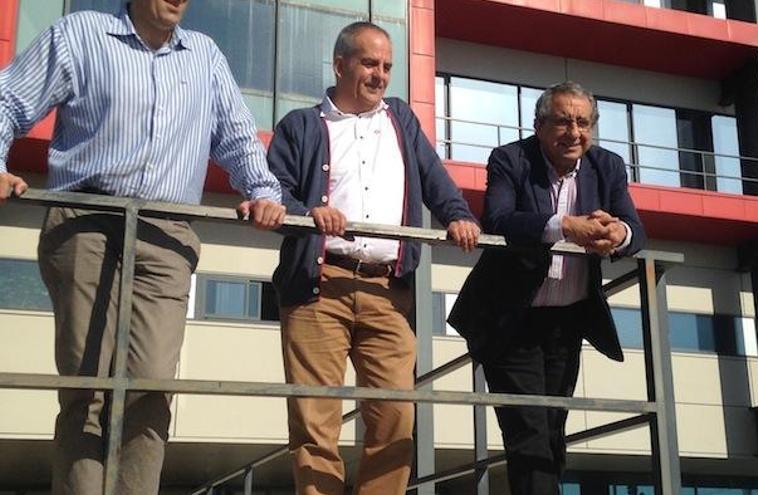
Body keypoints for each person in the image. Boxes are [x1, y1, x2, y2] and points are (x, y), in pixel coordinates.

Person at [0, 1, 286, 493]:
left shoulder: (205, 55)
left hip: (165, 231)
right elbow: (8, 101)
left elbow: (237, 133)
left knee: (152, 383)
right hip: (86, 222)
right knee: (86, 385)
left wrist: (261, 190)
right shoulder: (81, 35)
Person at [266, 21, 481, 495]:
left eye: (386, 66)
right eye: (369, 63)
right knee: (315, 418)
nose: (380, 74)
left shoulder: (401, 119)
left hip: (389, 291)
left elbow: (435, 176)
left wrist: (458, 216)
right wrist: (307, 212)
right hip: (319, 287)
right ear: (340, 65)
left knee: (394, 416)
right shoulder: (300, 125)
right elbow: (272, 191)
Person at [448, 81, 646, 495]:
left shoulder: (607, 166)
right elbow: (498, 219)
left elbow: (636, 229)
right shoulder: (509, 159)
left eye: (583, 122)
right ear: (539, 126)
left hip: (566, 323)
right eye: (562, 121)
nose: (574, 132)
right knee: (529, 430)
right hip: (511, 321)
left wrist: (619, 233)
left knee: (553, 433)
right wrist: (563, 226)